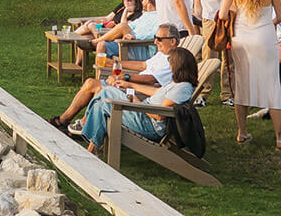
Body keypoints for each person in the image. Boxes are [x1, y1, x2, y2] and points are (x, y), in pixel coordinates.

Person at [50, 26, 199, 155]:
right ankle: (92, 146)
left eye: (159, 39)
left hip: (149, 124)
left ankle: (85, 133)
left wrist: (135, 99)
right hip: (143, 111)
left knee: (106, 95)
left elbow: (159, 116)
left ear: (178, 66)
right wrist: (130, 86)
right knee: (104, 100)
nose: (156, 41)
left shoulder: (182, 88)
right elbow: (155, 92)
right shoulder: (177, 82)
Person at [219, 0, 281, 149]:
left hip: (241, 39)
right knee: (272, 85)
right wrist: (270, 24)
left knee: (242, 84)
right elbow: (280, 16)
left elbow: (223, 15)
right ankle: (279, 138)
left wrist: (237, 14)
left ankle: (242, 132)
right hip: (264, 38)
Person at [79, 0, 161, 59]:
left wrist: (136, 37)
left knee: (123, 27)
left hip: (142, 48)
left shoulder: (159, 17)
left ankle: (94, 42)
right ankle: (100, 76)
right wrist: (125, 12)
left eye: (143, 0)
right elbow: (128, 25)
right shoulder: (146, 15)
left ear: (148, 1)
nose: (142, 2)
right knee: (102, 44)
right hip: (128, 43)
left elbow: (154, 34)